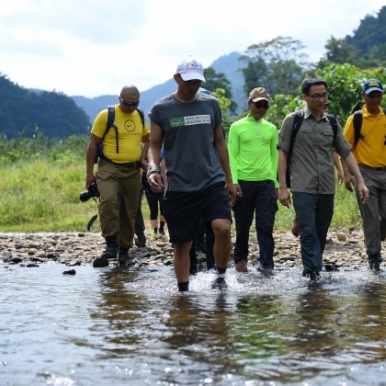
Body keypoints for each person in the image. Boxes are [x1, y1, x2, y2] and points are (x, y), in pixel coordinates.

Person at [147, 56, 236, 292]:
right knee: (183, 244)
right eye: (188, 80)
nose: (193, 85)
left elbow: (220, 142)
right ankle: (183, 293)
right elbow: (154, 146)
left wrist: (229, 179)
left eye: (197, 80)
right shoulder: (161, 109)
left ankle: (220, 275)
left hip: (212, 181)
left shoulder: (211, 104)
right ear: (177, 78)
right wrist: (153, 169)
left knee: (223, 228)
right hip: (179, 185)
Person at [277, 76, 370, 282]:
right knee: (308, 231)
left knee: (321, 231)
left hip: (327, 187)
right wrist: (283, 187)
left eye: (324, 95)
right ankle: (313, 274)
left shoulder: (333, 123)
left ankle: (312, 271)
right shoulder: (293, 121)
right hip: (302, 187)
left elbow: (346, 152)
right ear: (305, 97)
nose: (321, 100)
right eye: (316, 96)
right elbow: (282, 154)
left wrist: (360, 181)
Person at [341, 79, 386, 271]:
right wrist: (347, 174)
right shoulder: (355, 119)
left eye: (378, 94)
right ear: (363, 96)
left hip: (385, 172)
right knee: (370, 215)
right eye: (371, 95)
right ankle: (374, 255)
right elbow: (345, 149)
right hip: (363, 173)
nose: (375, 98)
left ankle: (372, 241)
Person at [86, 85, 150, 268]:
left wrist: (143, 159)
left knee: (129, 211)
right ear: (119, 98)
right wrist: (89, 174)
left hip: (132, 171)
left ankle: (124, 252)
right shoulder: (106, 115)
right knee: (108, 202)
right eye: (127, 103)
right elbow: (92, 145)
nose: (130, 107)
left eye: (134, 103)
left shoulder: (139, 115)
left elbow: (148, 138)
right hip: (109, 168)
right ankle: (111, 245)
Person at [228, 87, 278, 274]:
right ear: (250, 104)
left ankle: (267, 264)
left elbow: (274, 157)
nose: (262, 108)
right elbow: (232, 155)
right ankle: (241, 260)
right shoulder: (237, 127)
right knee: (243, 225)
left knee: (265, 224)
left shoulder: (271, 128)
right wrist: (232, 182)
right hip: (243, 182)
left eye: (265, 105)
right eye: (258, 104)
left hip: (265, 182)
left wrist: (277, 184)